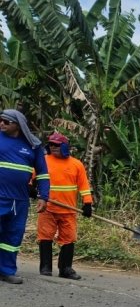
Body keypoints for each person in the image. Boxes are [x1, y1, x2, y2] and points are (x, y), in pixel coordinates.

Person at [0, 109, 50, 284]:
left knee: (12, 236)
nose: (2, 124)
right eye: (1, 120)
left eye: (6, 122)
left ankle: (7, 271)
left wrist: (44, 196)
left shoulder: (33, 146)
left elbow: (43, 173)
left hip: (19, 200)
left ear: (18, 125)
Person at [37, 132, 93, 280]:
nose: (53, 147)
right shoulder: (43, 161)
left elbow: (84, 186)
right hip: (47, 208)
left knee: (69, 238)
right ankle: (45, 267)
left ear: (64, 146)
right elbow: (32, 176)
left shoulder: (76, 164)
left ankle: (65, 268)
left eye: (56, 144)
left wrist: (87, 203)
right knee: (45, 237)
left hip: (68, 210)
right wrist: (30, 187)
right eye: (51, 144)